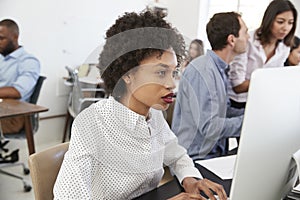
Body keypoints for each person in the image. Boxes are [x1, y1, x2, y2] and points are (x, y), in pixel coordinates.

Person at [53, 11, 227, 200]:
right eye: (161, 73)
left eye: (173, 72)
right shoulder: (92, 124)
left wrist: (190, 180)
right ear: (127, 74)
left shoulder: (154, 115)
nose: (171, 84)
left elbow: (177, 156)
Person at [172, 12, 248, 160]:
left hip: (214, 154)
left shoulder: (219, 69)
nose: (248, 38)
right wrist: (248, 122)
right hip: (195, 160)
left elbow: (221, 112)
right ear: (232, 40)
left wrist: (251, 115)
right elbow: (210, 127)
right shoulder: (203, 71)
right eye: (245, 33)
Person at [228, 0, 297, 109]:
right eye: (280, 22)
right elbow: (238, 86)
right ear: (269, 20)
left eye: (290, 23)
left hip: (261, 100)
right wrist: (269, 81)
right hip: (238, 101)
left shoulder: (285, 47)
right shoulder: (248, 40)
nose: (286, 28)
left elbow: (275, 79)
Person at [0, 19, 40, 134]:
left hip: (14, 116)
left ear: (15, 37)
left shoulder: (28, 61)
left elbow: (17, 91)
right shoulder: (1, 59)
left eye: (1, 38)